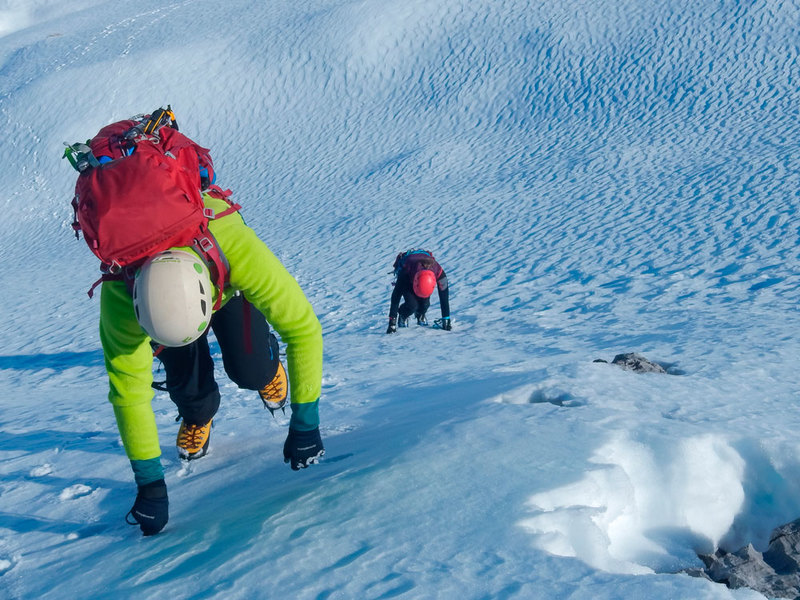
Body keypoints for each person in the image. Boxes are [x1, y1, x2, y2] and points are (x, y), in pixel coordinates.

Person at [101, 190, 324, 536]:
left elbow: (303, 328)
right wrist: (150, 486)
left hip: (225, 278)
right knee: (188, 387)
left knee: (250, 369)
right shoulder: (120, 293)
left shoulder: (233, 243)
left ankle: (266, 370)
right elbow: (129, 392)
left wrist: (306, 423)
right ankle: (197, 414)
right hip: (161, 301)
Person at [386, 249, 452, 333]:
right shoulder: (406, 271)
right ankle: (403, 315)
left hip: (422, 279)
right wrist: (392, 322)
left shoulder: (439, 273)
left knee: (425, 304)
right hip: (409, 278)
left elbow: (444, 297)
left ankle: (420, 313)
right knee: (412, 305)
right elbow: (396, 296)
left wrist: (446, 319)